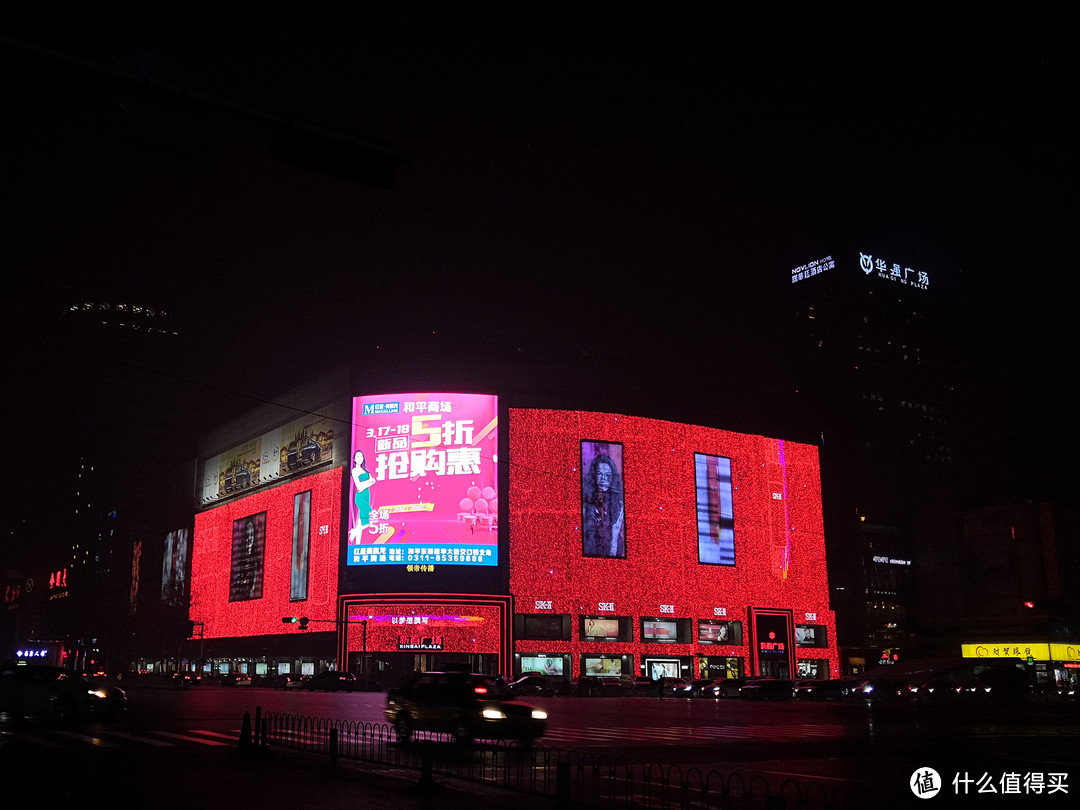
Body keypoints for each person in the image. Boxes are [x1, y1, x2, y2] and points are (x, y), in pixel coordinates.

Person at [582, 452, 625, 557]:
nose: (603, 479)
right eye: (599, 474)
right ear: (594, 475)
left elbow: (615, 537)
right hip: (590, 548)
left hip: (612, 550)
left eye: (608, 475)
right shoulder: (586, 499)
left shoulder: (618, 502)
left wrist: (613, 547)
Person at [351, 450, 376, 540]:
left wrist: (366, 484)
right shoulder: (354, 470)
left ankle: (356, 543)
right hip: (360, 497)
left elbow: (373, 481)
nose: (359, 458)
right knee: (368, 519)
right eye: (357, 457)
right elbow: (358, 486)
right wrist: (369, 482)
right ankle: (354, 532)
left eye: (361, 456)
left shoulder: (365, 469)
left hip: (366, 494)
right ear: (354, 459)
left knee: (361, 522)